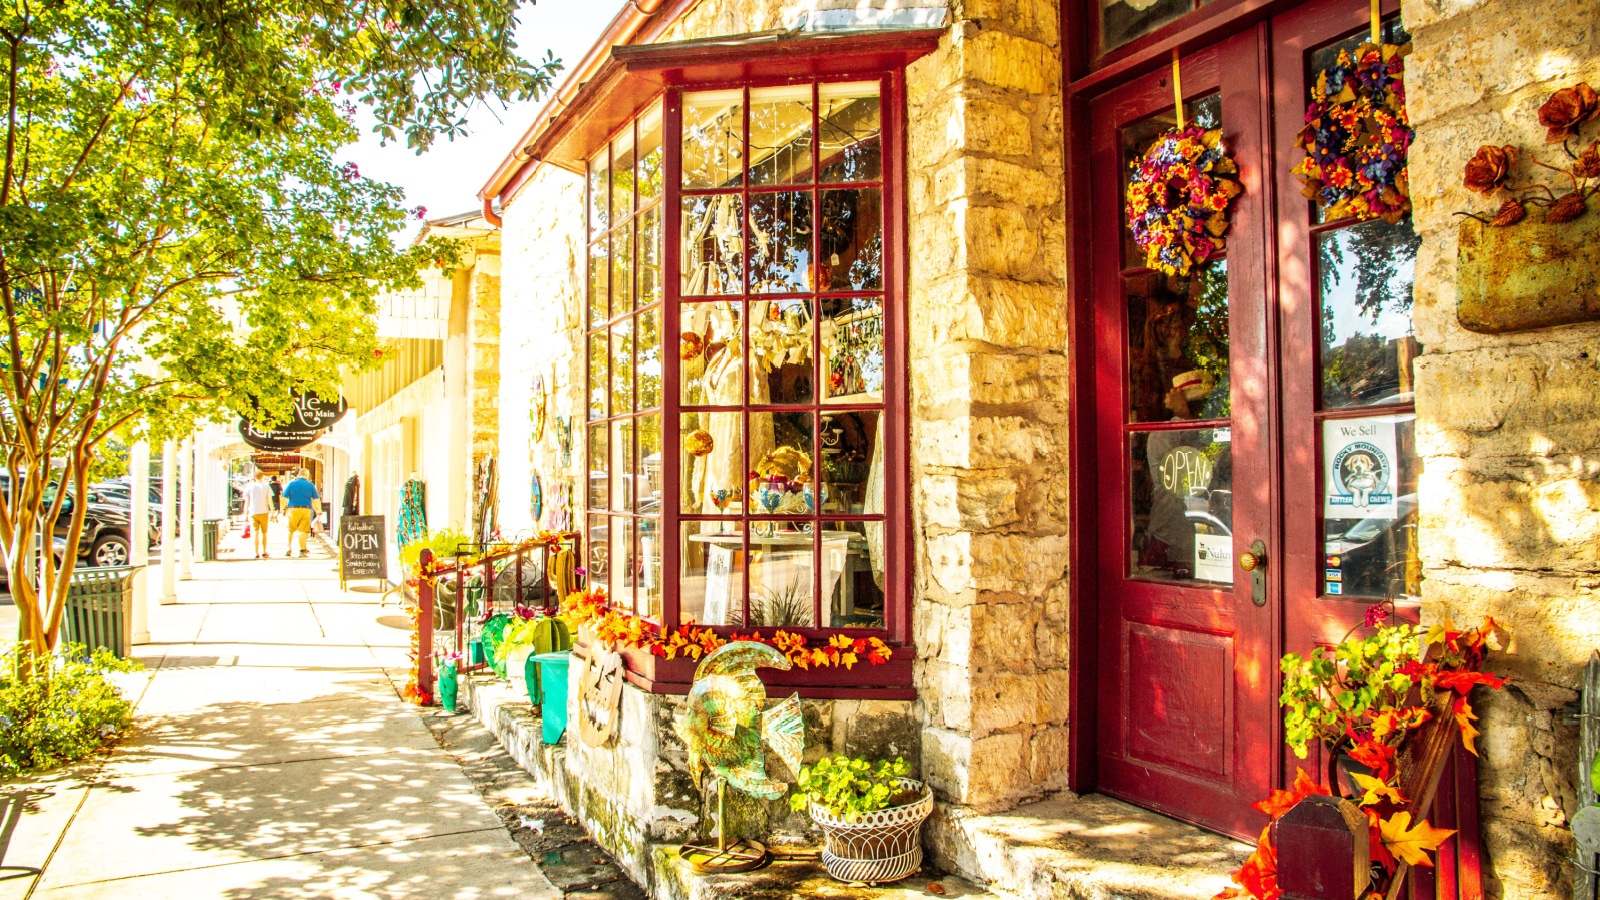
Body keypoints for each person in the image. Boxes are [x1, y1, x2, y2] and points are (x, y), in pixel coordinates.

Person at [281, 468, 322, 558]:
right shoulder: (310, 485)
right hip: (306, 510)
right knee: (303, 531)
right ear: (307, 475)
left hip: (292, 509)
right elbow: (316, 499)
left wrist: (283, 508)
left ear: (299, 475)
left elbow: (284, 497)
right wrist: (319, 510)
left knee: (290, 529)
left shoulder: (291, 484)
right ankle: (302, 550)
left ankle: (288, 547)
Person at [242, 472, 274, 559]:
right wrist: (272, 512)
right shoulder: (266, 486)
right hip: (264, 512)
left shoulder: (250, 486)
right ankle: (264, 551)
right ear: (262, 477)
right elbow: (270, 500)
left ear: (254, 477)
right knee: (264, 533)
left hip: (253, 512)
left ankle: (256, 553)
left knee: (255, 533)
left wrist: (245, 513)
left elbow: (247, 501)